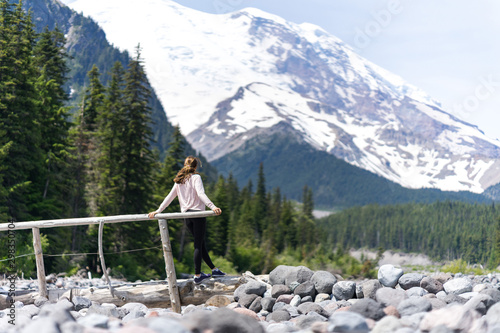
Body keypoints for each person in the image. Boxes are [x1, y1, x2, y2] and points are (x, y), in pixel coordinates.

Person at [148, 156, 226, 284]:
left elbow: (169, 197)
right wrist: (213, 206)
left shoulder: (179, 180)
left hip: (186, 216)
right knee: (198, 244)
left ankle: (214, 269)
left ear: (185, 165)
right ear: (195, 167)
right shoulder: (196, 177)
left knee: (200, 243)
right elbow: (201, 194)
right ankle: (197, 275)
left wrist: (158, 210)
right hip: (198, 215)